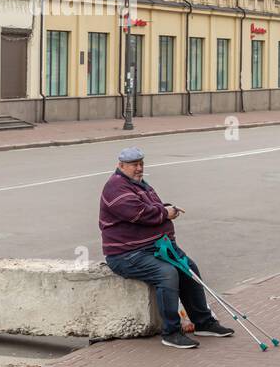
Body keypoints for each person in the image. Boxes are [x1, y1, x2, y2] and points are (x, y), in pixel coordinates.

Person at [99, 147, 233, 349]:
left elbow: (154, 207)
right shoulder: (116, 187)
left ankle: (203, 322)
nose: (139, 168)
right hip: (126, 254)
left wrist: (168, 208)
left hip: (153, 247)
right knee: (167, 274)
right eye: (134, 164)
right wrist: (165, 212)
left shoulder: (140, 185)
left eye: (141, 163)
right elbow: (140, 214)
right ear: (121, 166)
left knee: (189, 268)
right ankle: (170, 332)